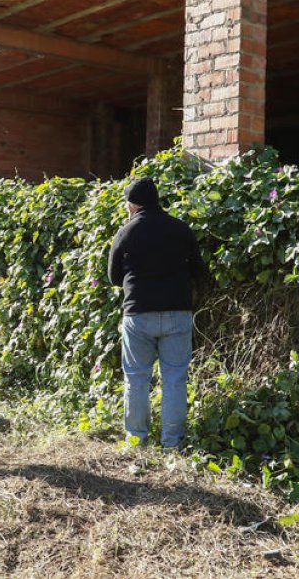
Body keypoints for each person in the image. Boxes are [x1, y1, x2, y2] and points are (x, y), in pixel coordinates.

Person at [108, 177, 208, 450]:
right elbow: (200, 272)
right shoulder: (180, 229)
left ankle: (136, 440)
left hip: (138, 313)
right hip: (177, 312)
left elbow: (113, 276)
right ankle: (171, 444)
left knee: (137, 378)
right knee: (175, 379)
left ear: (134, 203)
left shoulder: (126, 233)